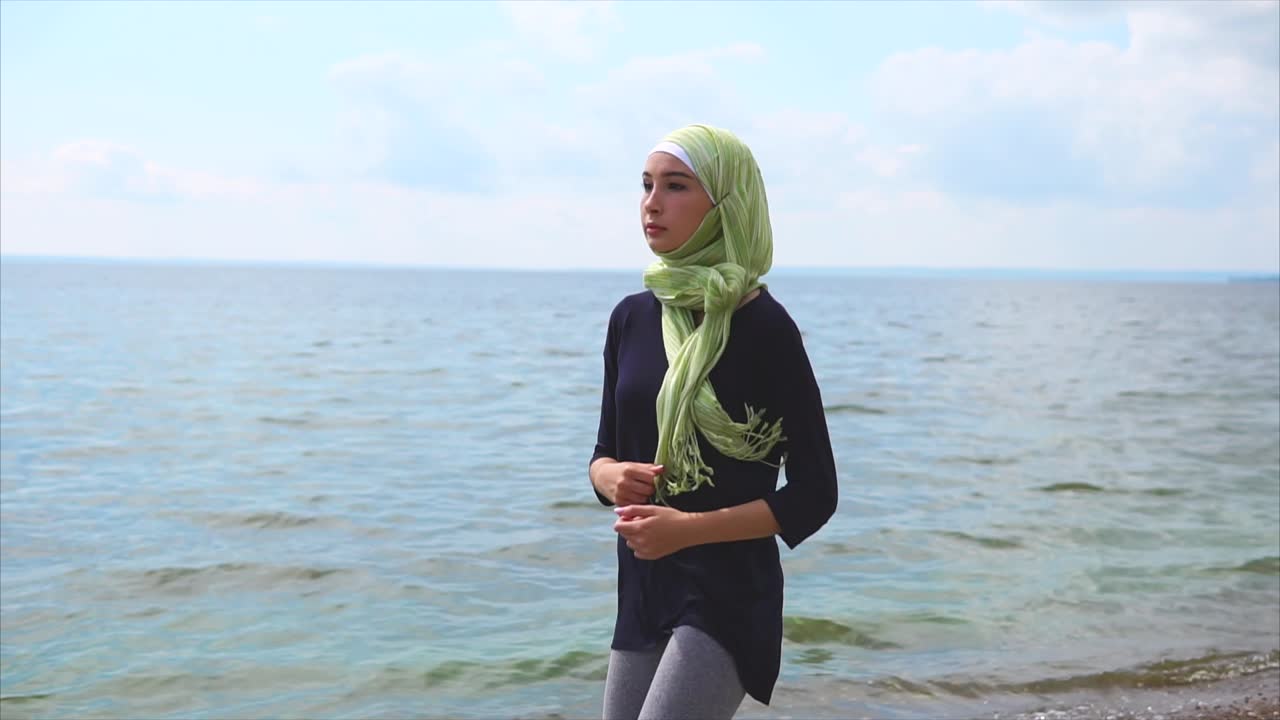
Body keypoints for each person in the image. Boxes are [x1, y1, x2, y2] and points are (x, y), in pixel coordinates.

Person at [588, 124, 839, 720]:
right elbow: (600, 456)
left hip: (728, 593)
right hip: (644, 587)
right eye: (646, 185)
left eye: (675, 186)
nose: (652, 203)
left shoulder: (767, 330)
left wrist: (686, 528)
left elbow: (814, 495)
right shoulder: (631, 319)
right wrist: (611, 478)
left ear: (726, 205)